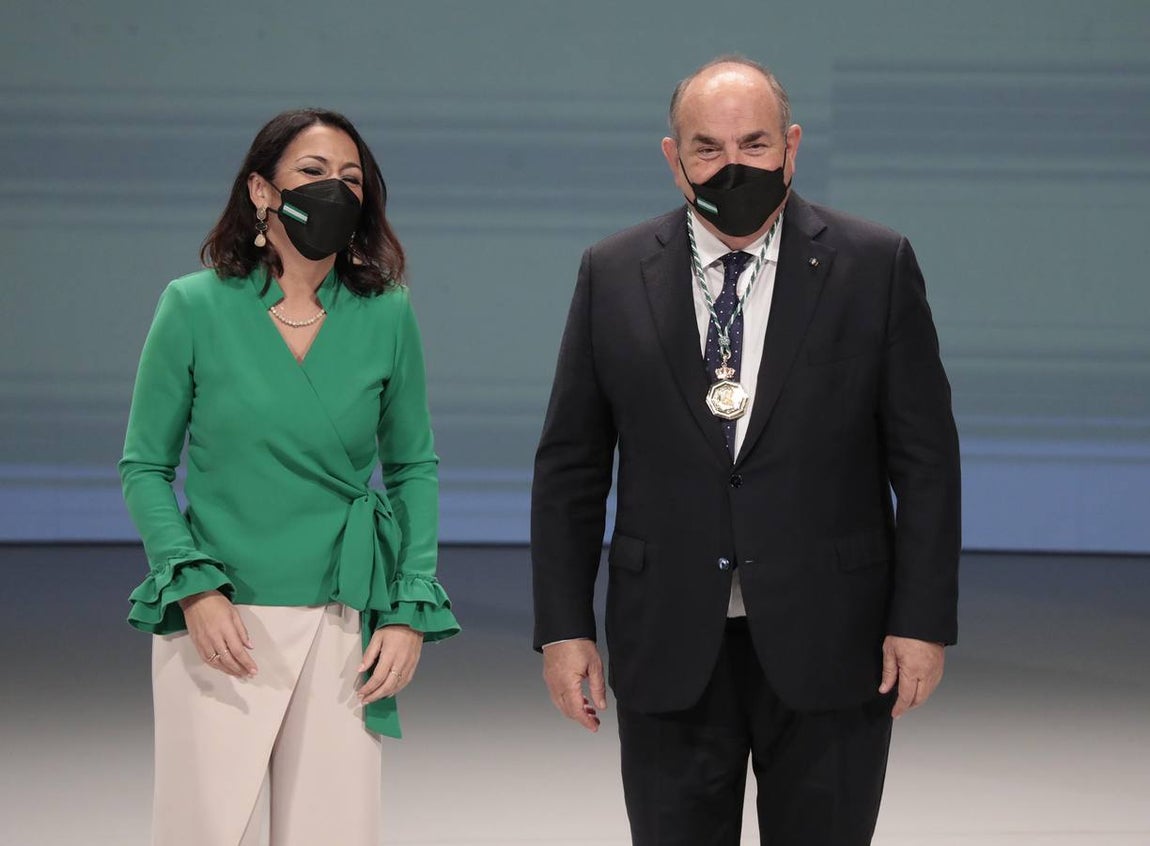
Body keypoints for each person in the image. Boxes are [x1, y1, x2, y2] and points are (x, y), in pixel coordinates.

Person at [532, 56, 960, 846]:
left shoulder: (874, 265)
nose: (734, 165)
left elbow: (926, 461)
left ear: (791, 147)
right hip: (669, 640)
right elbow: (571, 467)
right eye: (708, 148)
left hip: (835, 640)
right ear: (674, 159)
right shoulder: (613, 272)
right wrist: (564, 628)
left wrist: (923, 620)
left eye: (755, 144)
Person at [120, 108, 459, 846]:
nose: (334, 189)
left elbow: (413, 467)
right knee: (204, 830)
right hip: (221, 618)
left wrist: (407, 607)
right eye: (312, 173)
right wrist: (195, 586)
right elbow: (145, 466)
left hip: (345, 613)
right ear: (261, 191)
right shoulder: (194, 306)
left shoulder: (386, 312)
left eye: (351, 178)